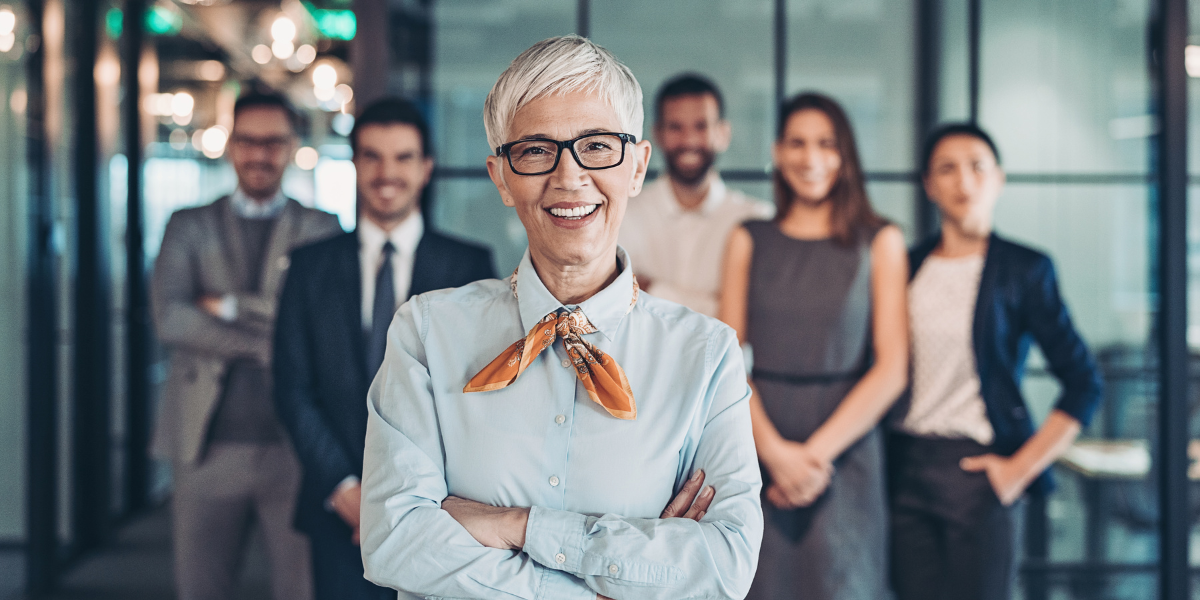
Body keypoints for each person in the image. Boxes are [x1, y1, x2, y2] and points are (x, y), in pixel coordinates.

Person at [358, 35, 763, 600]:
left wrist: (517, 526)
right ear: (501, 177)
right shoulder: (427, 332)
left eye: (597, 146)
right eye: (535, 150)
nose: (569, 177)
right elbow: (393, 542)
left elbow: (724, 567)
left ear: (639, 166)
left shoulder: (706, 353)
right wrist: (629, 574)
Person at [273, 97, 495, 600]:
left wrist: (421, 498)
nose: (386, 172)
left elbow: (479, 392)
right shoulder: (310, 267)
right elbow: (292, 388)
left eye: (402, 157)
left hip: (443, 512)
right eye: (372, 156)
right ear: (354, 165)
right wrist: (347, 491)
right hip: (337, 505)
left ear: (426, 168)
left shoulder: (470, 267)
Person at [889, 123, 1103, 600]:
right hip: (903, 469)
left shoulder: (1025, 268)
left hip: (978, 470)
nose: (964, 181)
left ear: (999, 178)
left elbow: (1084, 382)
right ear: (928, 184)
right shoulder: (905, 265)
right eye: (947, 169)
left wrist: (1018, 470)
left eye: (977, 166)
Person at [150, 92, 342, 600]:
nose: (260, 154)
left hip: (295, 451)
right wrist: (266, 340)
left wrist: (228, 305)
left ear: (291, 147)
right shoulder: (187, 225)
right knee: (202, 588)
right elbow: (171, 318)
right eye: (249, 141)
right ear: (231, 145)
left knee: (302, 589)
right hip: (206, 446)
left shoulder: (322, 228)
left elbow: (323, 328)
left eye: (273, 142)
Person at [719, 92, 909, 600]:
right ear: (778, 153)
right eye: (797, 143)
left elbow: (891, 369)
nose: (811, 158)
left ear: (845, 155)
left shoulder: (882, 241)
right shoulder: (747, 238)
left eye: (826, 144)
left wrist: (811, 459)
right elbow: (725, 363)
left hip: (847, 448)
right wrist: (776, 455)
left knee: (843, 584)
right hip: (759, 437)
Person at [618, 73, 771, 317]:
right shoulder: (622, 214)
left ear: (722, 134)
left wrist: (651, 289)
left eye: (701, 126)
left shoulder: (757, 220)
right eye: (675, 127)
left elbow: (756, 317)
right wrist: (719, 303)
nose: (688, 140)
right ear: (657, 134)